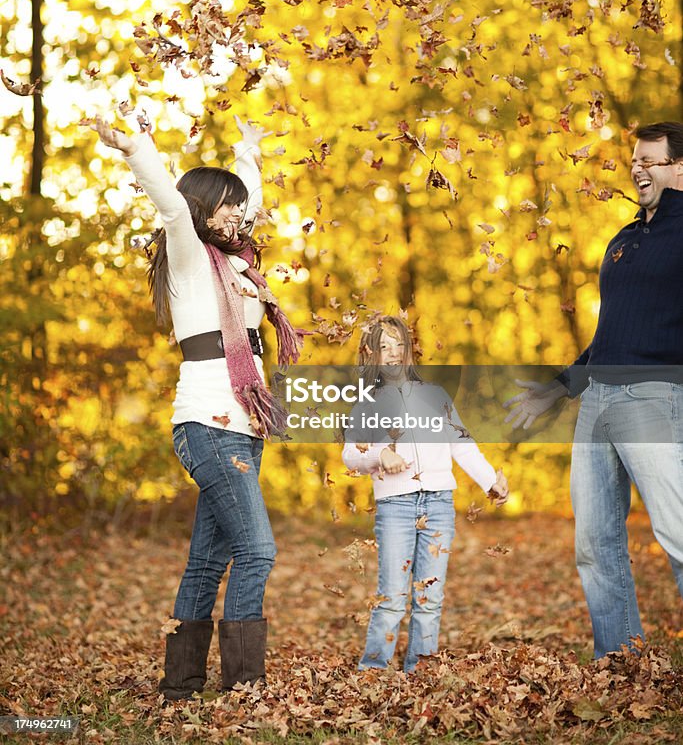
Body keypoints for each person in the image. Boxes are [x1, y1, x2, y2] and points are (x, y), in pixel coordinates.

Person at [89, 114, 304, 699]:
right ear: (205, 210)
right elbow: (170, 204)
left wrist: (249, 150)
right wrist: (136, 148)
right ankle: (244, 688)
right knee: (258, 551)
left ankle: (181, 685)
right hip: (208, 425)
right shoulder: (188, 255)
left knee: (208, 563)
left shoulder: (237, 262)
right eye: (228, 207)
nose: (240, 215)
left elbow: (251, 204)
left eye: (240, 207)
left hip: (244, 426)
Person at [504, 121, 683, 658]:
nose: (638, 168)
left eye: (650, 160)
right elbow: (608, 338)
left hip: (653, 398)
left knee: (677, 533)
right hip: (598, 403)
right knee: (594, 544)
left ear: (679, 168)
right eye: (634, 159)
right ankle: (621, 659)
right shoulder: (625, 240)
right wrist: (556, 390)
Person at [342, 316, 509, 672]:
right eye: (382, 347)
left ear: (410, 350)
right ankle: (372, 671)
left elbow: (461, 444)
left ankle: (421, 671)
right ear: (369, 355)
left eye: (398, 345)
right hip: (396, 507)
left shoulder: (435, 395)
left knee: (429, 597)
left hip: (438, 504)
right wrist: (378, 454)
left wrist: (488, 480)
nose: (392, 354)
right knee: (392, 598)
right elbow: (350, 453)